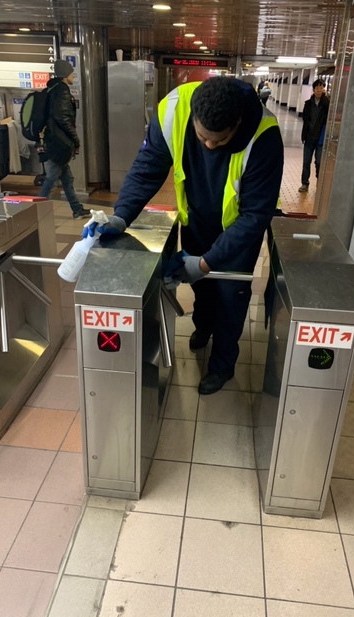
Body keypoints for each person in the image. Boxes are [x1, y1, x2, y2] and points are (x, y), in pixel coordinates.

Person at [100, 77, 283, 395]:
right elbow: (148, 166)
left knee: (231, 297)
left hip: (238, 231)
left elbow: (255, 215)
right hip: (197, 219)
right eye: (202, 138)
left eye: (219, 140)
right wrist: (121, 216)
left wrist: (207, 261)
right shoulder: (173, 110)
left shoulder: (264, 136)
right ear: (194, 118)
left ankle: (223, 365)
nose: (210, 146)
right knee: (202, 289)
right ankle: (203, 328)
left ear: (237, 123)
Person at [39, 59, 90, 219]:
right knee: (52, 179)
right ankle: (36, 211)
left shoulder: (51, 88)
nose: (73, 75)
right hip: (59, 143)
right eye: (70, 72)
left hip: (54, 141)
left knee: (67, 179)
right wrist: (76, 140)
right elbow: (63, 118)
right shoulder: (62, 90)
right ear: (64, 74)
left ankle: (77, 209)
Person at [298, 79, 330, 192]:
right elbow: (305, 119)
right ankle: (304, 183)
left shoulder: (327, 104)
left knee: (319, 162)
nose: (319, 90)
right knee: (306, 162)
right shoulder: (308, 104)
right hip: (309, 137)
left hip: (320, 139)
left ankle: (319, 182)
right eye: (317, 88)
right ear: (314, 89)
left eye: (321, 88)